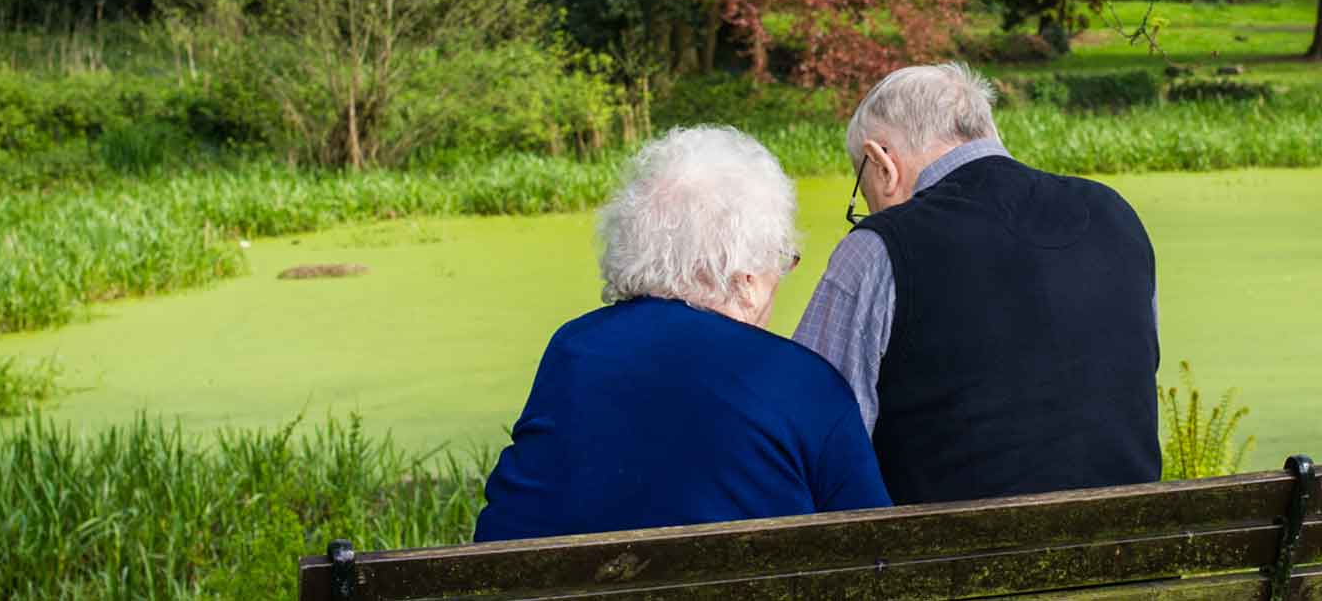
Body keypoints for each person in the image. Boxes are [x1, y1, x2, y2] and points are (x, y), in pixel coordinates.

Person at [474, 126, 890, 542]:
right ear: (745, 276)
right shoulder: (803, 383)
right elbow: (877, 553)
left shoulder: (573, 348)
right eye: (782, 261)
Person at [795, 63, 1161, 505]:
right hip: (1125, 556)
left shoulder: (879, 249)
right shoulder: (1115, 216)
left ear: (882, 162)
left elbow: (809, 439)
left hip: (950, 566)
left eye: (863, 187)